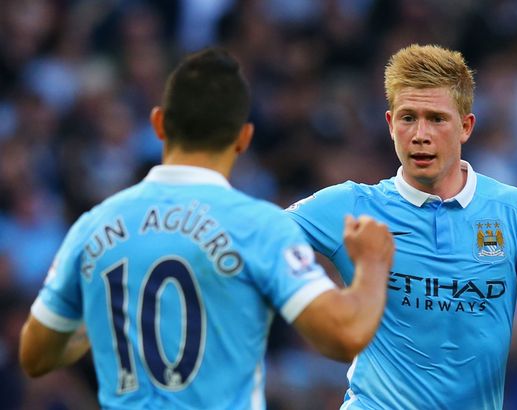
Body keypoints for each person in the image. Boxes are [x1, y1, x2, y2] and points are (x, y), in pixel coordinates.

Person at [19, 48, 395, 409]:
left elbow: (34, 355)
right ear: (244, 138)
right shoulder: (258, 227)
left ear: (158, 123)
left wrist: (102, 326)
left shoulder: (93, 224)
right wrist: (372, 264)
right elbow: (343, 336)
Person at [286, 44, 517, 410]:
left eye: (436, 119)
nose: (420, 134)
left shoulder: (512, 210)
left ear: (466, 126)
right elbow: (258, 238)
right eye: (408, 117)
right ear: (389, 123)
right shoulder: (353, 205)